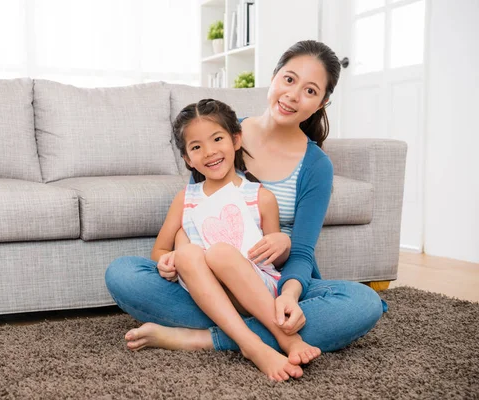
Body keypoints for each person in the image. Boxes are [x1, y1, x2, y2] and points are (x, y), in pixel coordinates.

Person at [105, 40, 384, 378]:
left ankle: (202, 338)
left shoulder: (315, 166)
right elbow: (192, 214)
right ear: (274, 76)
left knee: (364, 302)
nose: (294, 95)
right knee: (122, 274)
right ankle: (265, 333)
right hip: (204, 281)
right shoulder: (221, 130)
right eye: (289, 79)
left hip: (272, 281)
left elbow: (302, 253)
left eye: (310, 90)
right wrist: (175, 254)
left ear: (322, 102)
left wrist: (290, 292)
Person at [153, 98, 320, 380]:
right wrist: (164, 262)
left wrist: (281, 243)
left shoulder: (260, 196)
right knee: (185, 254)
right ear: (187, 158)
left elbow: (274, 261)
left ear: (236, 140)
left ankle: (281, 336)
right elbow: (159, 249)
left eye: (217, 139)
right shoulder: (186, 198)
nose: (209, 152)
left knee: (219, 252)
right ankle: (253, 345)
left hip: (255, 289)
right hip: (205, 291)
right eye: (196, 147)